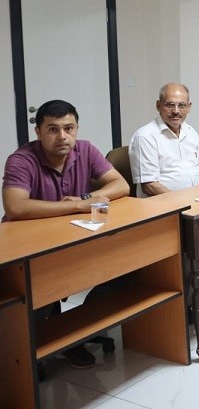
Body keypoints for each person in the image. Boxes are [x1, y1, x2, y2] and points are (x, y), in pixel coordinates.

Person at [2, 99, 129, 369]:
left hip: (74, 238)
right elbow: (15, 206)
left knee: (125, 267)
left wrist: (86, 198)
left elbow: (120, 185)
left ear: (76, 129)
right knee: (39, 290)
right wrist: (76, 206)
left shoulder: (85, 150)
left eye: (68, 128)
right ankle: (31, 352)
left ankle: (74, 335)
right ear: (38, 132)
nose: (62, 136)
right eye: (53, 129)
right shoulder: (21, 160)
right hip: (28, 247)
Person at [129, 83, 199, 198]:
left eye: (182, 105)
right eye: (170, 105)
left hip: (197, 202)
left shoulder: (190, 131)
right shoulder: (145, 137)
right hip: (163, 205)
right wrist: (182, 203)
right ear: (158, 106)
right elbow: (150, 186)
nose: (176, 111)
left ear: (189, 107)